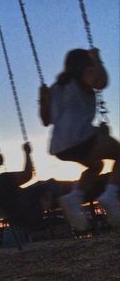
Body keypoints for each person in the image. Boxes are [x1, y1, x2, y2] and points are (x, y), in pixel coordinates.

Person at [39, 48, 120, 231]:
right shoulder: (83, 75)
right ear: (85, 64)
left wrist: (43, 100)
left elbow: (45, 120)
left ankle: (74, 197)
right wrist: (97, 59)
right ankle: (110, 195)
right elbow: (101, 82)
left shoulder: (56, 87)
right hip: (79, 137)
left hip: (60, 147)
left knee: (96, 166)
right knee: (118, 152)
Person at [0, 143, 59, 228]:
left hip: (14, 219)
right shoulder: (4, 178)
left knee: (40, 185)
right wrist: (27, 153)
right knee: (52, 184)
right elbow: (27, 175)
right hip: (29, 212)